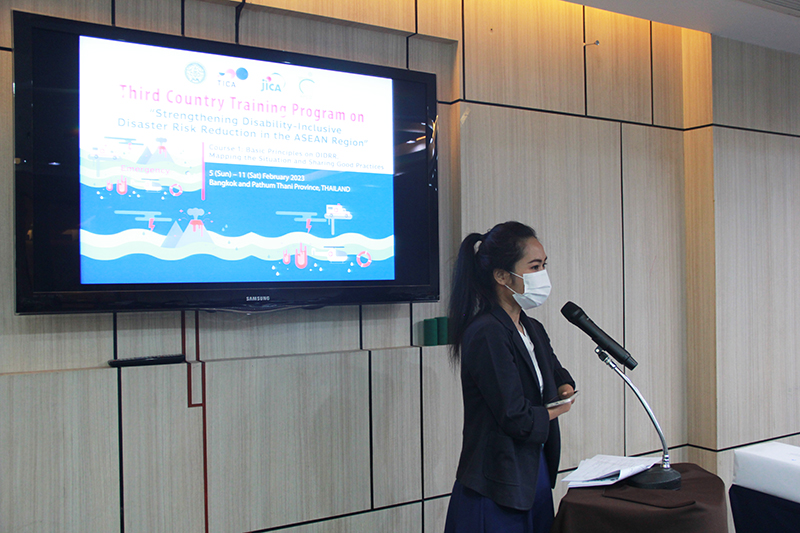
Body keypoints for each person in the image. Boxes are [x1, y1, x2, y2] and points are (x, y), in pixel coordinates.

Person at [443, 221, 576, 533]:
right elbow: (514, 417)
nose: (543, 274)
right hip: (497, 483)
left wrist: (564, 384)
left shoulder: (531, 327)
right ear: (501, 276)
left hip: (533, 472)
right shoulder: (487, 331)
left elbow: (554, 371)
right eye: (534, 266)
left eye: (544, 265)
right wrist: (559, 409)